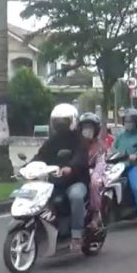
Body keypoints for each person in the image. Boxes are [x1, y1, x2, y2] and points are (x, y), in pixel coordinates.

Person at [33, 104, 89, 251]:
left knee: (76, 196)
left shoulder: (79, 140)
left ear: (73, 121)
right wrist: (27, 167)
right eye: (57, 121)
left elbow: (80, 157)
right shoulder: (52, 141)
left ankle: (77, 235)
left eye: (64, 121)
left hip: (76, 181)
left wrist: (70, 167)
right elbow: (40, 155)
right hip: (55, 182)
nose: (60, 125)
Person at [113, 111, 137, 229]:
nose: (127, 124)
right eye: (126, 121)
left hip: (134, 166)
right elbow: (113, 149)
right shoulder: (120, 136)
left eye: (130, 122)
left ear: (136, 123)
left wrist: (136, 154)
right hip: (119, 166)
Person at [78, 112, 107, 227]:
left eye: (90, 127)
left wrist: (95, 174)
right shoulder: (76, 144)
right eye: (85, 127)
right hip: (78, 173)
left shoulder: (100, 146)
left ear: (96, 130)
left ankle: (96, 214)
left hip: (95, 173)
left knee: (93, 184)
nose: (87, 130)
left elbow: (100, 163)